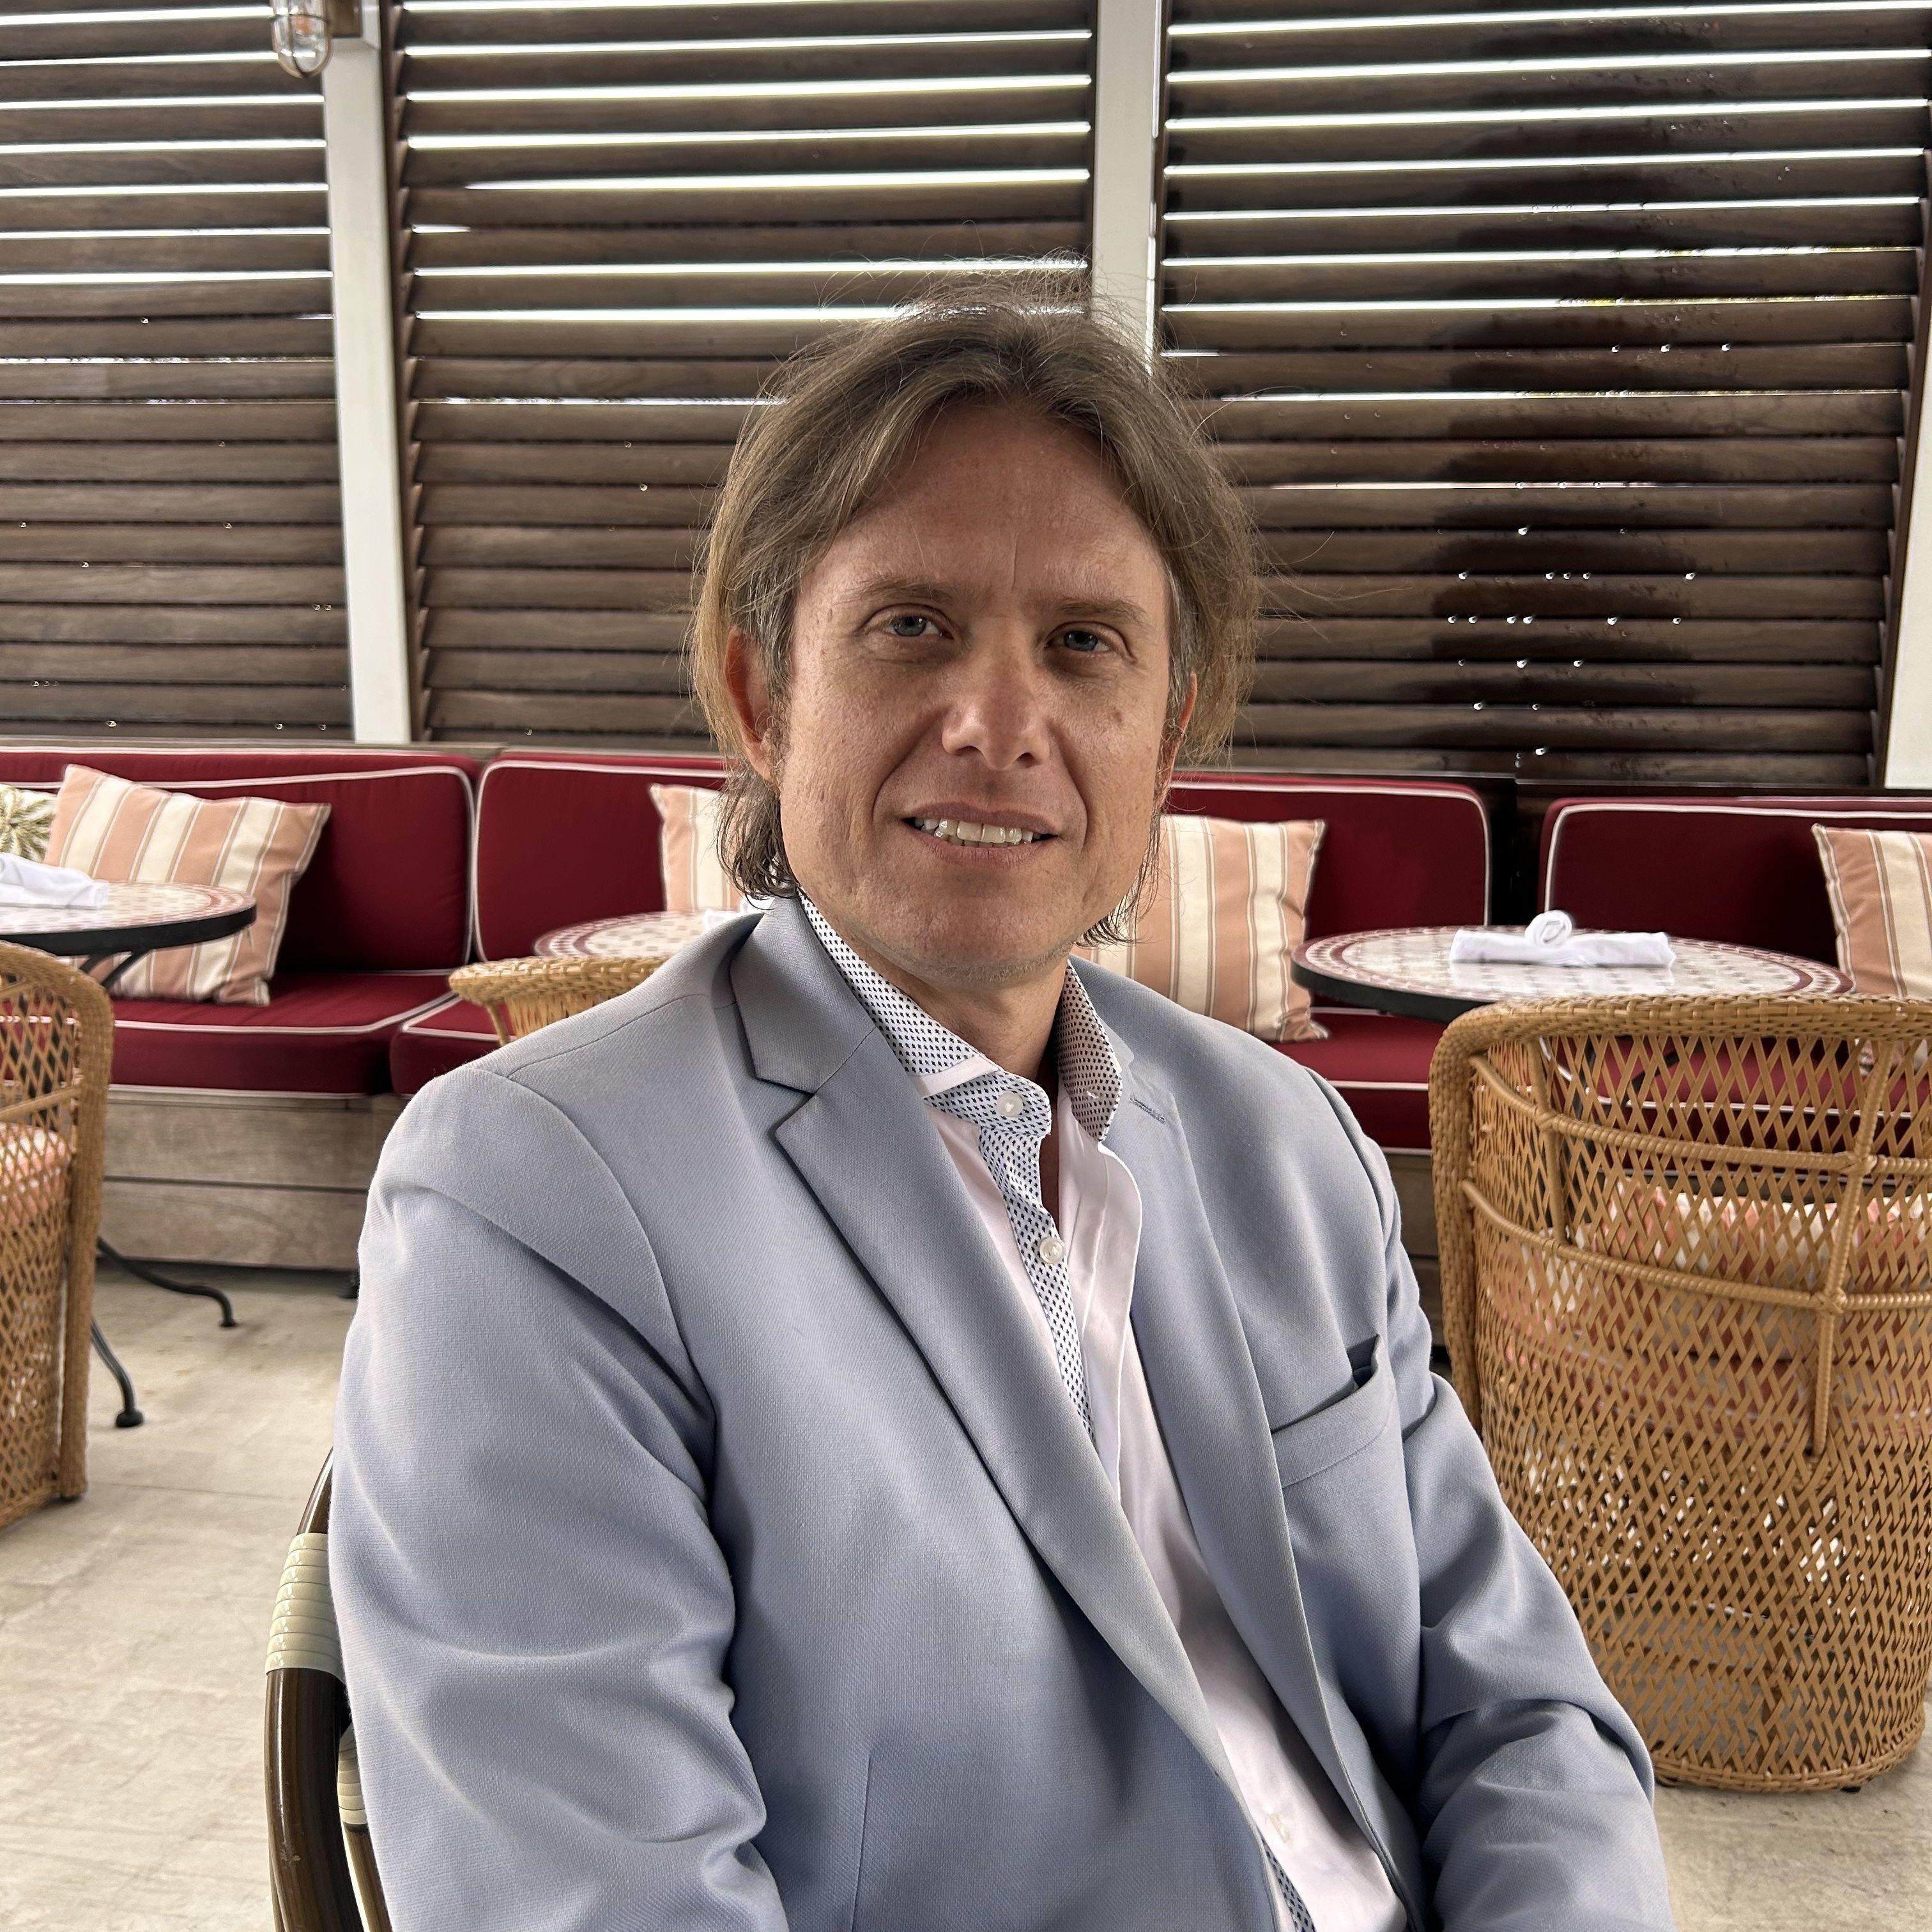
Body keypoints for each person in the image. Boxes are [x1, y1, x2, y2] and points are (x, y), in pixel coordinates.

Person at [332, 288, 1676, 1932]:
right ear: (762, 699)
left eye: (1084, 646)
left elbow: (1526, 1711)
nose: (998, 726)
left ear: (1166, 736)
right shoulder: (533, 1198)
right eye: (911, 626)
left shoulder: (1289, 1146)